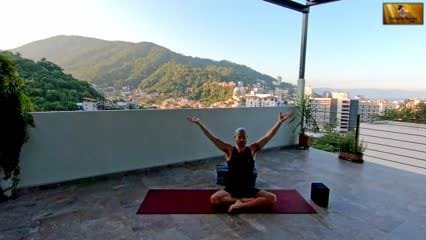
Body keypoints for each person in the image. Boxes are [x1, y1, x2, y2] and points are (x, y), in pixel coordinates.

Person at [187, 111, 293, 213]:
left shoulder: (252, 149)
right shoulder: (229, 149)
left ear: (247, 138)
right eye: (239, 137)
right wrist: (199, 124)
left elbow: (268, 137)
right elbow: (212, 138)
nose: (242, 140)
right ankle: (243, 202)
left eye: (244, 137)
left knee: (272, 198)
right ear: (235, 138)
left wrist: (279, 122)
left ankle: (240, 204)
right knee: (214, 199)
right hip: (232, 189)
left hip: (249, 188)